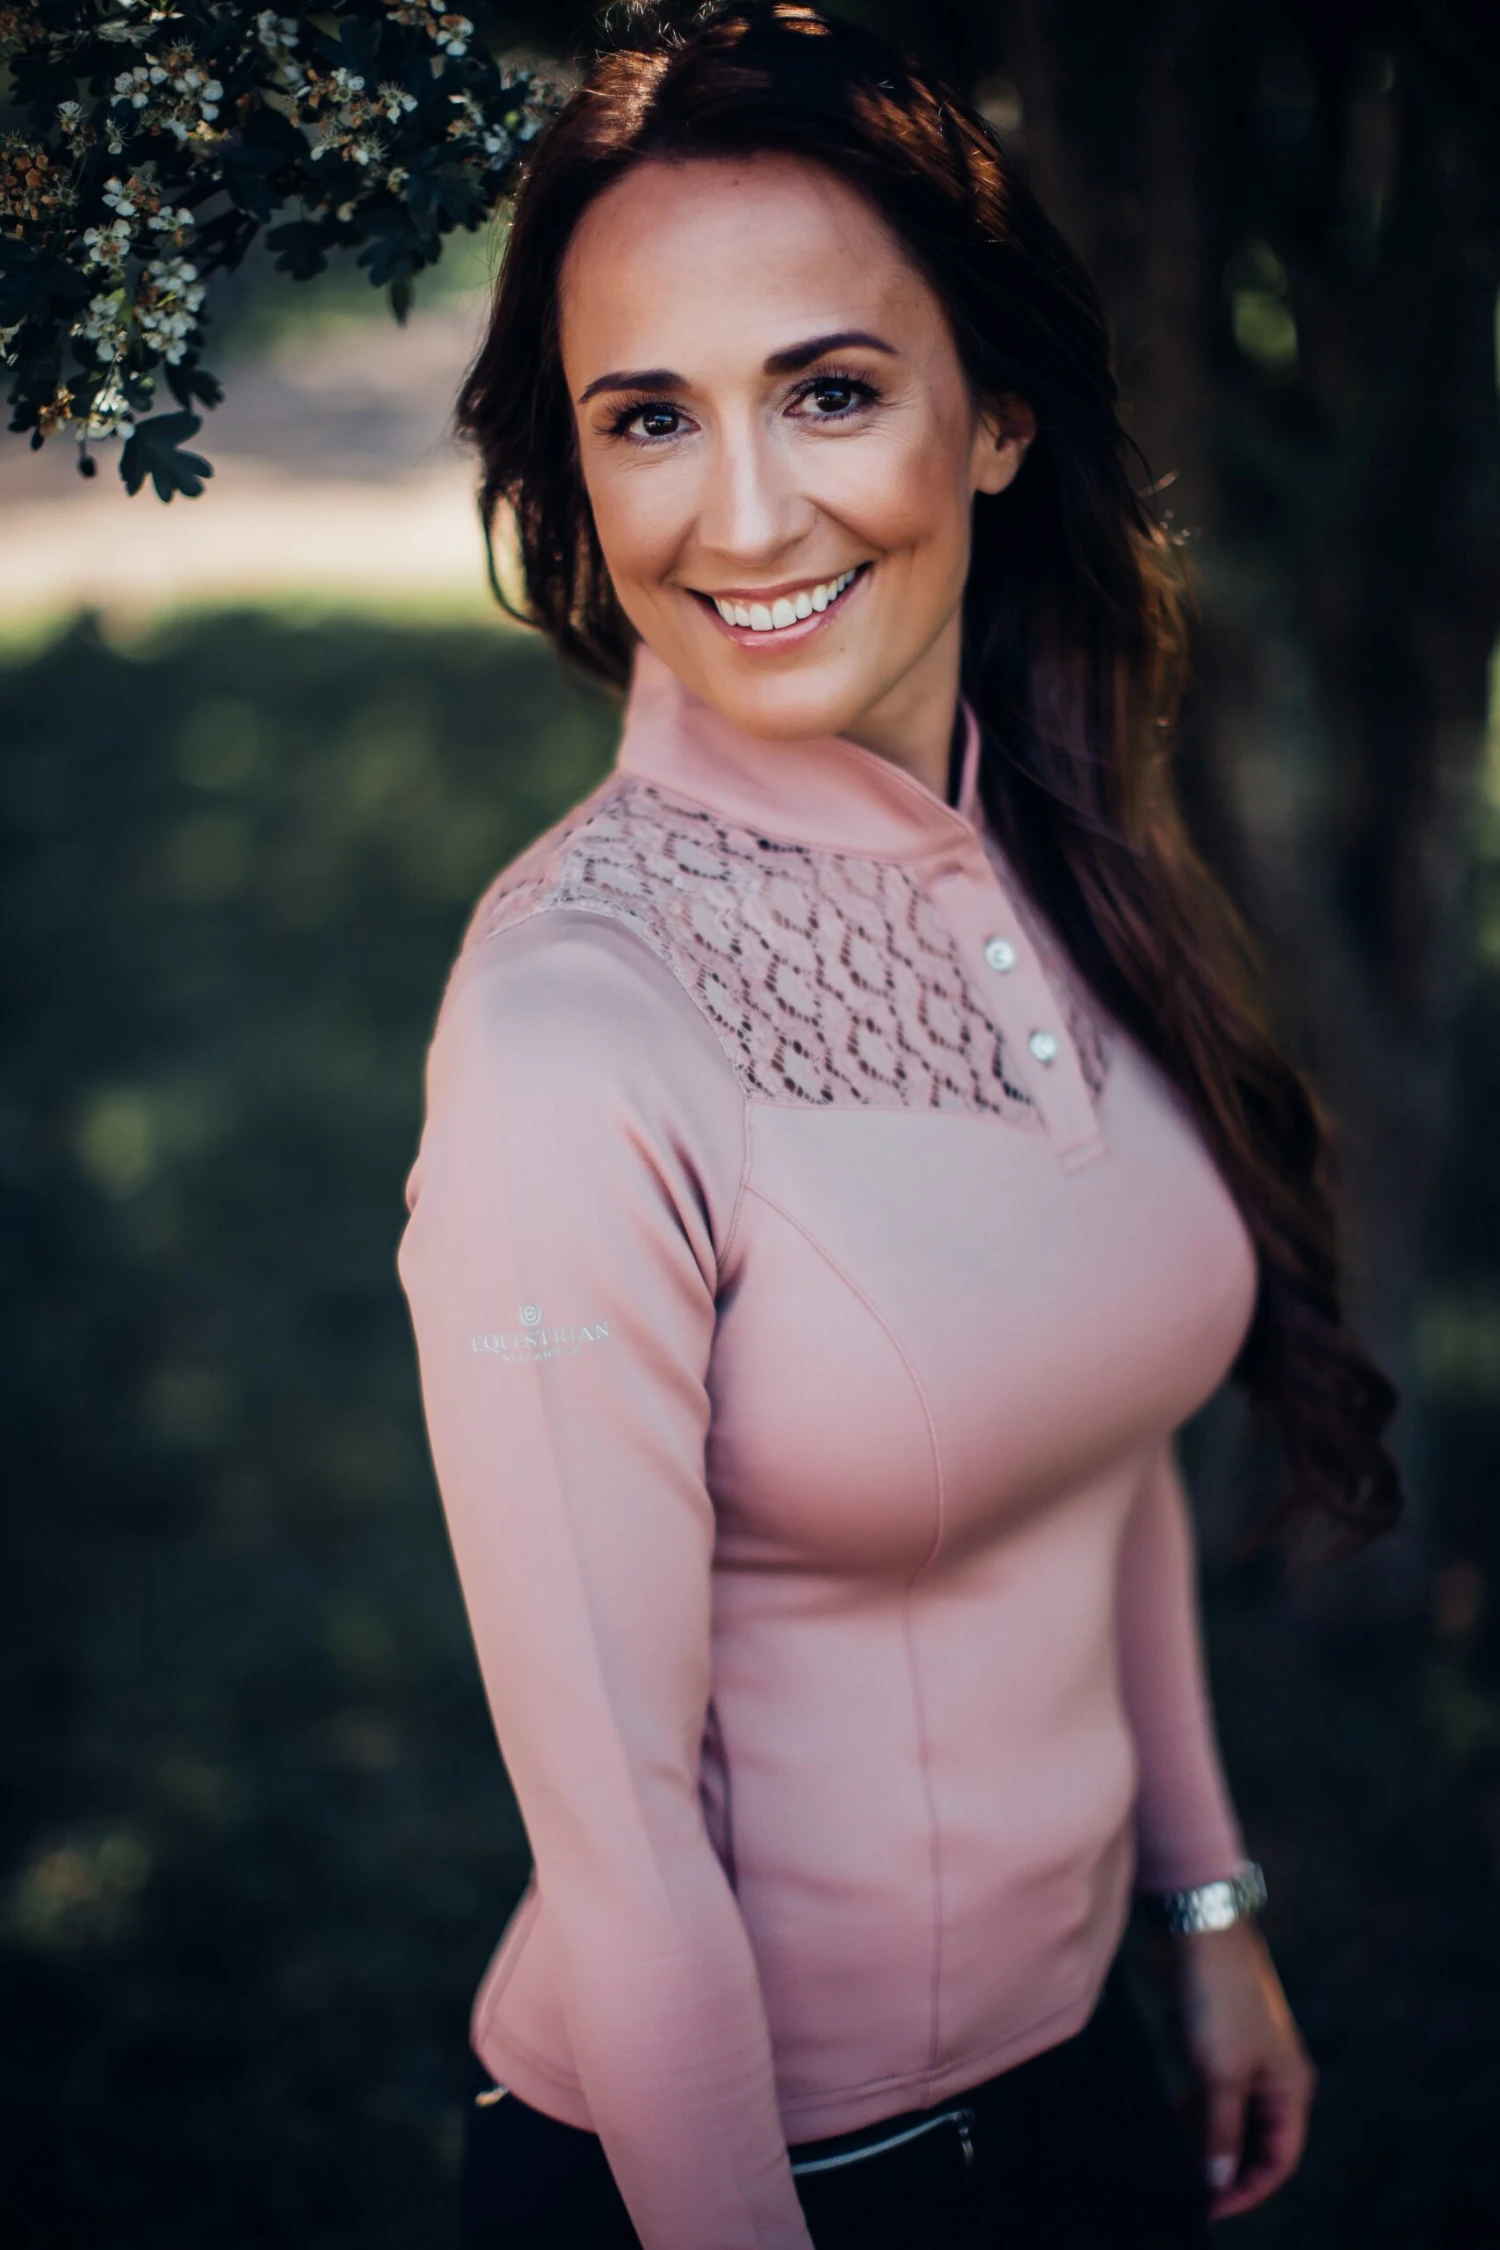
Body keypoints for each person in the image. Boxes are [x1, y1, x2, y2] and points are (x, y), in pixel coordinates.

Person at [395, 6, 1400, 2244]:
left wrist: (1205, 1905)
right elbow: (624, 1848)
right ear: (578, 473)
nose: (746, 515)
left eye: (830, 390)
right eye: (650, 417)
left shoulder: (1054, 860)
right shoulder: (572, 1037)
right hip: (755, 2167)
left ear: (1001, 417)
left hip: (1086, 2079)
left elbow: (1093, 1442)